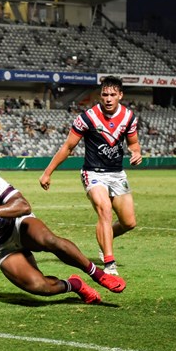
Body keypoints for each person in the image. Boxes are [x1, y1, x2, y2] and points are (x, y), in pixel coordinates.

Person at [0, 161, 125, 304]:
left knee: (51, 240)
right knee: (38, 286)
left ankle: (98, 274)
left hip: (18, 225)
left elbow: (24, 206)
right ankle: (74, 285)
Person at [40, 76, 142, 276]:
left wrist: (136, 152)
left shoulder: (129, 117)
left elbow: (133, 144)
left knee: (129, 223)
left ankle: (106, 238)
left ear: (121, 95)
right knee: (104, 210)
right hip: (93, 173)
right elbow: (68, 147)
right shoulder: (87, 117)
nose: (109, 99)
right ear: (100, 96)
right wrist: (47, 172)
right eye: (105, 94)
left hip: (117, 173)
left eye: (113, 94)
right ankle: (109, 264)